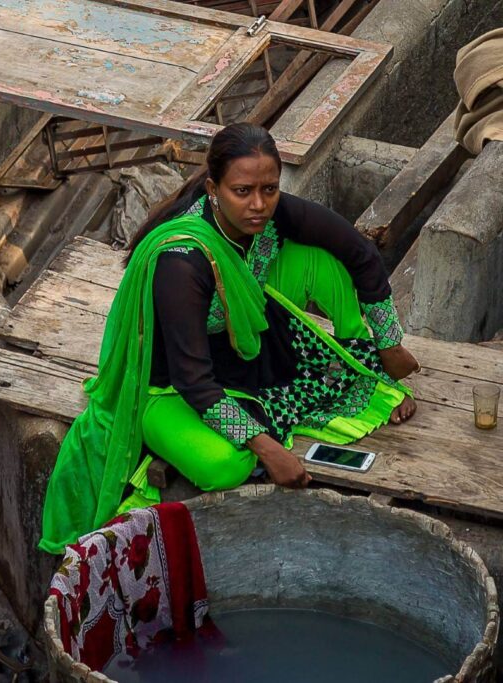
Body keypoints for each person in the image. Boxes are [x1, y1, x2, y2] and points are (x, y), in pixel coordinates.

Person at [39, 123, 419, 554]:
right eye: (242, 191)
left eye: (269, 189)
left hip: (244, 346)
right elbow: (192, 380)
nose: (258, 205)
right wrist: (268, 448)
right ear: (213, 189)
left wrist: (388, 341)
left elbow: (359, 251)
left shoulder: (268, 214)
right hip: (169, 388)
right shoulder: (182, 262)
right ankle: (334, 385)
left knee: (320, 256)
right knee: (225, 465)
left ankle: (365, 360)